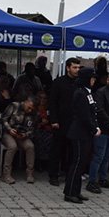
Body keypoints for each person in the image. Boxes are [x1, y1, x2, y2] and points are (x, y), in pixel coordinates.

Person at [64, 68, 100, 204]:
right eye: (92, 78)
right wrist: (94, 129)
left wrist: (96, 126)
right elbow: (84, 116)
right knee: (77, 162)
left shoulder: (87, 92)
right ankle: (69, 192)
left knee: (81, 163)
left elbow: (92, 112)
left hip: (85, 133)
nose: (94, 80)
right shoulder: (80, 93)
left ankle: (76, 190)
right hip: (79, 133)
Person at [87, 72, 109, 193]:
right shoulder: (100, 92)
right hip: (103, 129)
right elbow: (99, 110)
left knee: (107, 157)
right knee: (98, 156)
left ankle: (103, 179)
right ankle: (92, 181)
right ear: (108, 80)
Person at [48, 57, 80, 186]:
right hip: (60, 122)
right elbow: (52, 102)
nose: (77, 70)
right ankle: (53, 175)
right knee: (57, 149)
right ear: (67, 68)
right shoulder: (58, 82)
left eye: (78, 67)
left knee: (72, 150)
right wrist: (54, 120)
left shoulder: (79, 83)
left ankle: (69, 174)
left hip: (75, 123)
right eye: (74, 67)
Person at [0, 97, 38, 184]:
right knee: (12, 146)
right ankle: (6, 174)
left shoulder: (34, 114)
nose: (29, 110)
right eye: (29, 108)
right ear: (26, 102)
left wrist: (26, 135)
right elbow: (4, 119)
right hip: (9, 133)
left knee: (30, 146)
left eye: (32, 109)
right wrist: (9, 129)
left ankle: (30, 174)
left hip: (22, 135)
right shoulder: (14, 106)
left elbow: (33, 129)